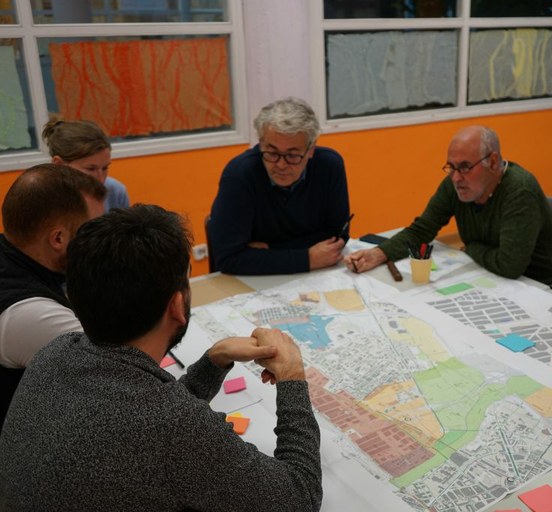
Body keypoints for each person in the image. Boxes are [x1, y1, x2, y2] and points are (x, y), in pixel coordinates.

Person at [0, 205, 322, 511]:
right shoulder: (172, 426)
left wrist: (213, 361)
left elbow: (141, 417)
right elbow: (298, 497)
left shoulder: (56, 351)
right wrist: (292, 375)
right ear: (177, 306)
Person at [344, 125, 552, 290]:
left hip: (539, 288)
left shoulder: (519, 191)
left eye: (465, 167)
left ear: (493, 162)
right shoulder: (454, 185)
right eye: (451, 167)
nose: (456, 177)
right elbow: (422, 230)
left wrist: (472, 248)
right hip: (491, 277)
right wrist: (379, 254)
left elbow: (509, 265)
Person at [0, 164, 105, 426]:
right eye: (91, 231)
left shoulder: (15, 255)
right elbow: (122, 376)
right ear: (58, 238)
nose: (99, 242)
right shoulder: (31, 314)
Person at [208, 97, 350, 275]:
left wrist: (270, 249)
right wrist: (307, 259)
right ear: (260, 143)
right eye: (272, 152)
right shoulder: (240, 174)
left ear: (311, 150)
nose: (281, 165)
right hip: (250, 282)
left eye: (292, 155)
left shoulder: (329, 166)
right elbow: (228, 259)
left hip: (315, 276)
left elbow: (337, 237)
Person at [42, 117, 130, 212]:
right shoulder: (41, 198)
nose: (101, 180)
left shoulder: (115, 191)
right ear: (59, 164)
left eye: (105, 168)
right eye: (91, 169)